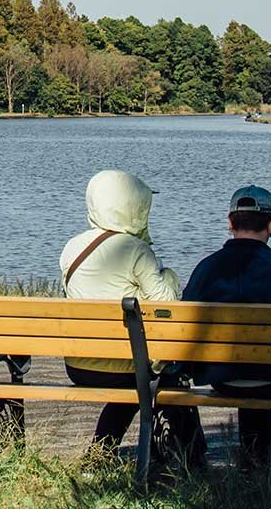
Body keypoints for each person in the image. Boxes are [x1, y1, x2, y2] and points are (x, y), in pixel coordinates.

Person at [59, 170, 205, 469]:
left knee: (134, 375)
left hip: (80, 365)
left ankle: (101, 452)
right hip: (126, 365)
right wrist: (169, 275)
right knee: (167, 371)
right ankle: (191, 455)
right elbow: (167, 305)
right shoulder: (136, 250)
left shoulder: (71, 249)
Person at [182, 184, 271, 470]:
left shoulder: (205, 269)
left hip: (221, 377)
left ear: (229, 223)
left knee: (248, 368)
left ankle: (253, 465)